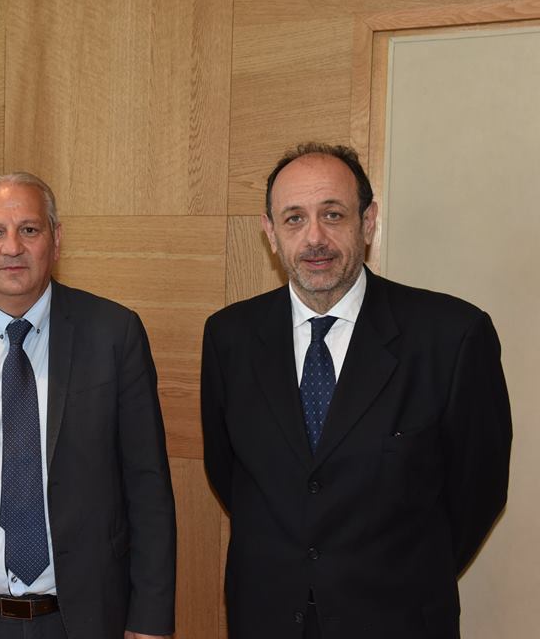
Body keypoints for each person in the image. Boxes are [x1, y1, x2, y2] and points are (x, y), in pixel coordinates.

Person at [201, 142, 512, 639]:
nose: (315, 238)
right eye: (294, 219)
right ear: (270, 233)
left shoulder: (452, 336)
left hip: (398, 618)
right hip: (267, 616)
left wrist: (400, 572)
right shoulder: (228, 337)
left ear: (367, 223)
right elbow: (229, 471)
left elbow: (478, 490)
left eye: (333, 214)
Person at [0, 172, 176, 639]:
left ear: (55, 240)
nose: (12, 247)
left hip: (82, 620)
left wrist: (150, 620)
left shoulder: (113, 335)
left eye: (29, 229)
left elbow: (148, 487)